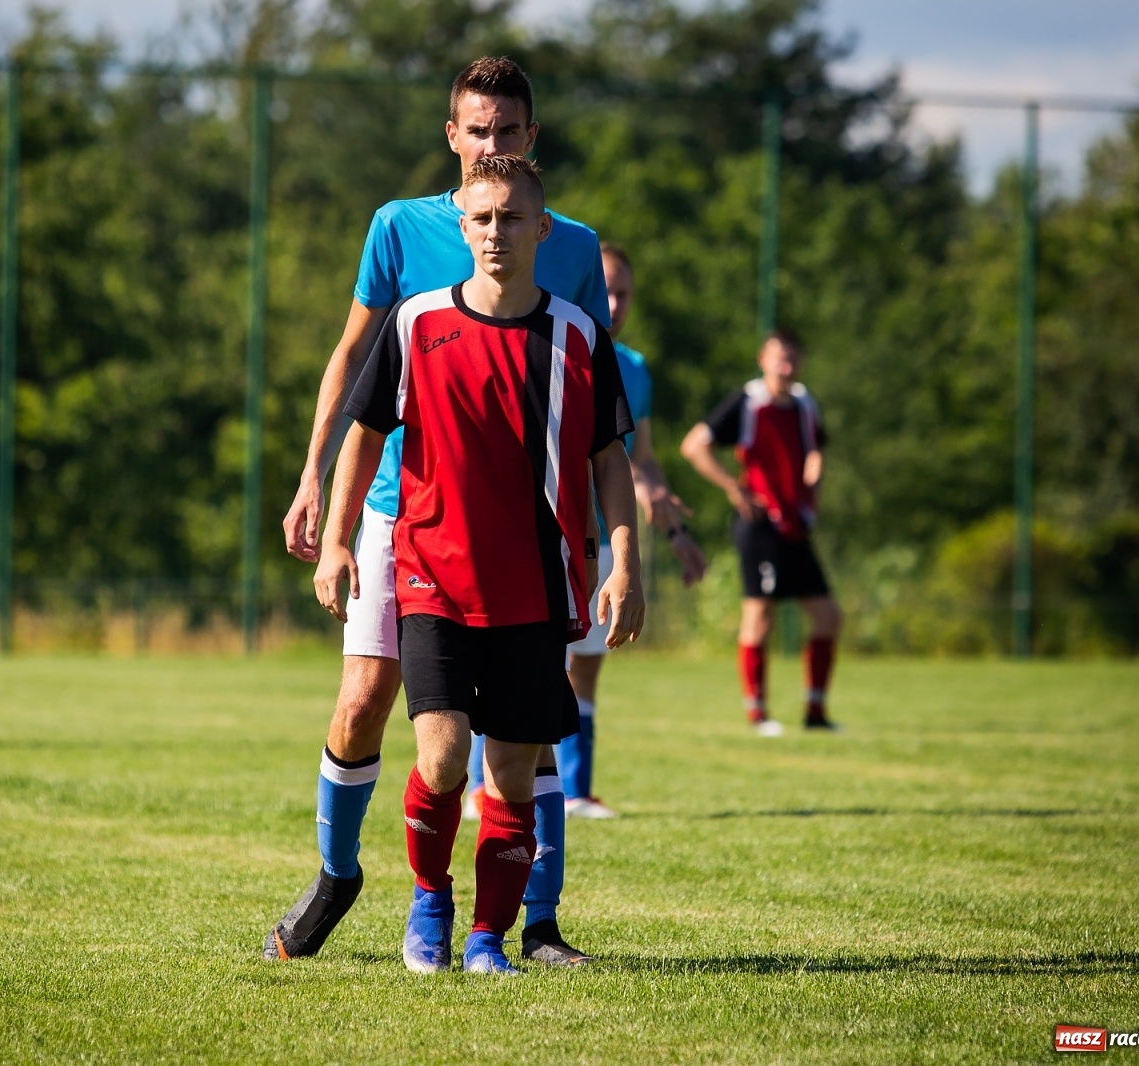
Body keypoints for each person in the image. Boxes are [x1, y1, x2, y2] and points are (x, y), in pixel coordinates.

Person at [265, 57, 610, 966]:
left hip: (520, 529)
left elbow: (590, 392)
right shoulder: (399, 226)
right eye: (476, 129)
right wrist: (313, 479)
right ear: (451, 136)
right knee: (364, 702)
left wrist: (610, 529)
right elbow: (351, 360)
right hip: (399, 511)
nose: (490, 145)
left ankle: (534, 924)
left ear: (530, 140)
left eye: (508, 131)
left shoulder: (568, 245)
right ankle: (338, 876)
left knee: (525, 738)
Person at [463, 243, 707, 819]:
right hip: (535, 534)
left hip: (598, 540)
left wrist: (670, 525)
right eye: (607, 290)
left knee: (586, 666)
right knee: (517, 665)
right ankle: (482, 784)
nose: (615, 303)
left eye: (624, 292)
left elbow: (636, 458)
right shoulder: (547, 344)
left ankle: (577, 789)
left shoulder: (635, 368)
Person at [681, 328, 840, 735]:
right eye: (778, 358)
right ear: (762, 360)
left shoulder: (805, 404)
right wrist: (735, 489)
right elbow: (695, 445)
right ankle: (757, 713)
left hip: (796, 523)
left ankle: (816, 712)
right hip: (759, 525)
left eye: (792, 359)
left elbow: (817, 449)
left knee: (828, 617)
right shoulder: (747, 402)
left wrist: (813, 481)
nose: (785, 367)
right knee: (760, 615)